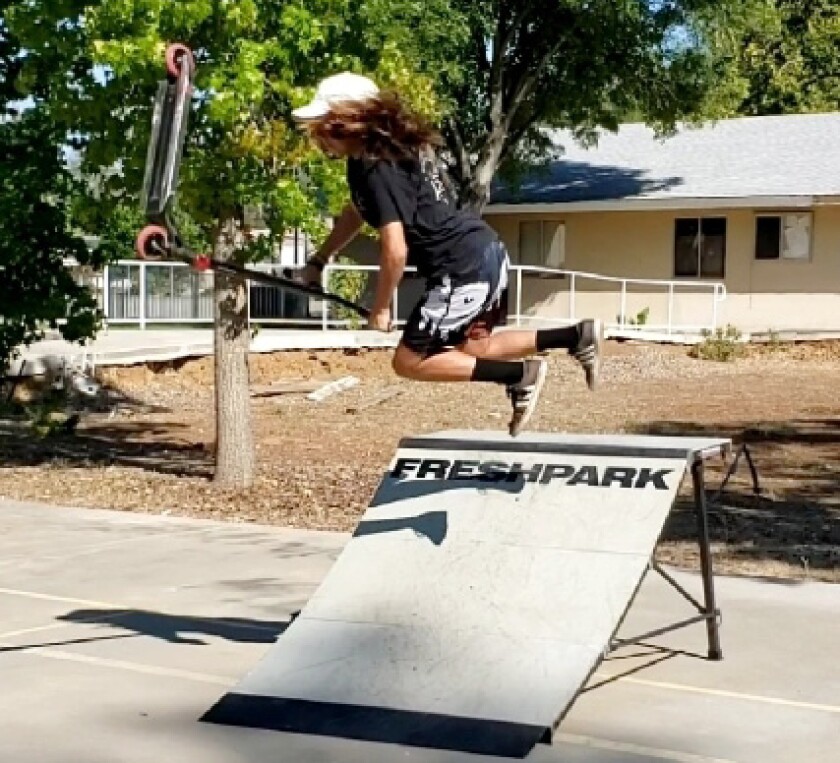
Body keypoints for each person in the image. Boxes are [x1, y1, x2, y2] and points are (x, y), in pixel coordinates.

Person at [291, 72, 603, 436]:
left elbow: (395, 249)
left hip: (461, 267)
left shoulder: (377, 165)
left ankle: (520, 376)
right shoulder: (382, 154)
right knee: (476, 346)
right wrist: (319, 259)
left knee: (410, 361)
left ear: (347, 122)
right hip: (485, 251)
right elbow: (357, 212)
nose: (317, 138)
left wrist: (381, 307)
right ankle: (575, 336)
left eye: (321, 127)